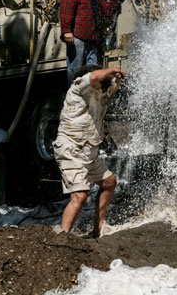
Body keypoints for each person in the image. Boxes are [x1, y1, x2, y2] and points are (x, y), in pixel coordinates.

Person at [53, 65, 124, 237]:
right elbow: (93, 78)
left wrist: (118, 77)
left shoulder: (101, 93)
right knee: (79, 195)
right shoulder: (78, 87)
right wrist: (112, 68)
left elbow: (113, 87)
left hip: (88, 151)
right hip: (71, 148)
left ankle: (97, 229)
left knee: (109, 183)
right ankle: (62, 237)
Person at [60, 0, 129, 84]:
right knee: (76, 74)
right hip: (77, 39)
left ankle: (89, 100)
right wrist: (66, 30)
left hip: (92, 41)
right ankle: (74, 99)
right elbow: (66, 9)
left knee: (92, 75)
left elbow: (107, 11)